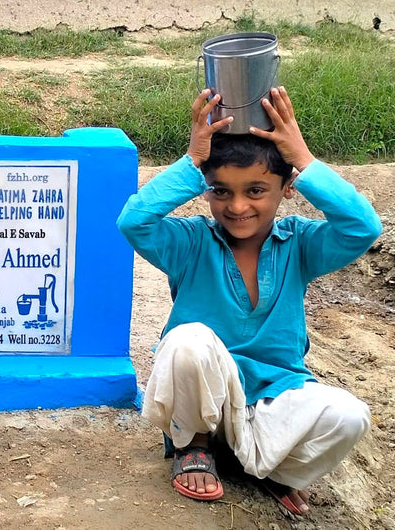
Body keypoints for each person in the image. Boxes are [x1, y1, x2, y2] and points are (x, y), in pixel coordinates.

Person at [117, 86, 382, 517]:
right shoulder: (191, 242)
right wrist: (192, 161)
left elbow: (362, 227)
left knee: (348, 416)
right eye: (221, 191)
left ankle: (269, 470)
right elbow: (134, 222)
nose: (237, 206)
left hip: (273, 398)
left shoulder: (300, 244)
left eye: (256, 190)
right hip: (202, 398)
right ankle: (194, 446)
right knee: (189, 341)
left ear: (287, 188)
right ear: (206, 190)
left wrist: (304, 159)